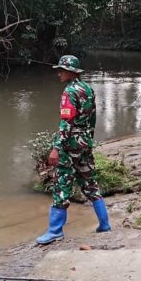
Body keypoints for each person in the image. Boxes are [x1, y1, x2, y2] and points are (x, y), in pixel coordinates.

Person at [36, 55, 111, 245]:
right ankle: (104, 225)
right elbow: (93, 117)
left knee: (62, 184)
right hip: (85, 141)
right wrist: (88, 140)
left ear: (71, 72)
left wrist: (56, 148)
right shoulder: (88, 89)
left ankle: (55, 231)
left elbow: (66, 122)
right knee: (90, 182)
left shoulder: (69, 92)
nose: (59, 73)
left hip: (70, 144)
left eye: (61, 70)